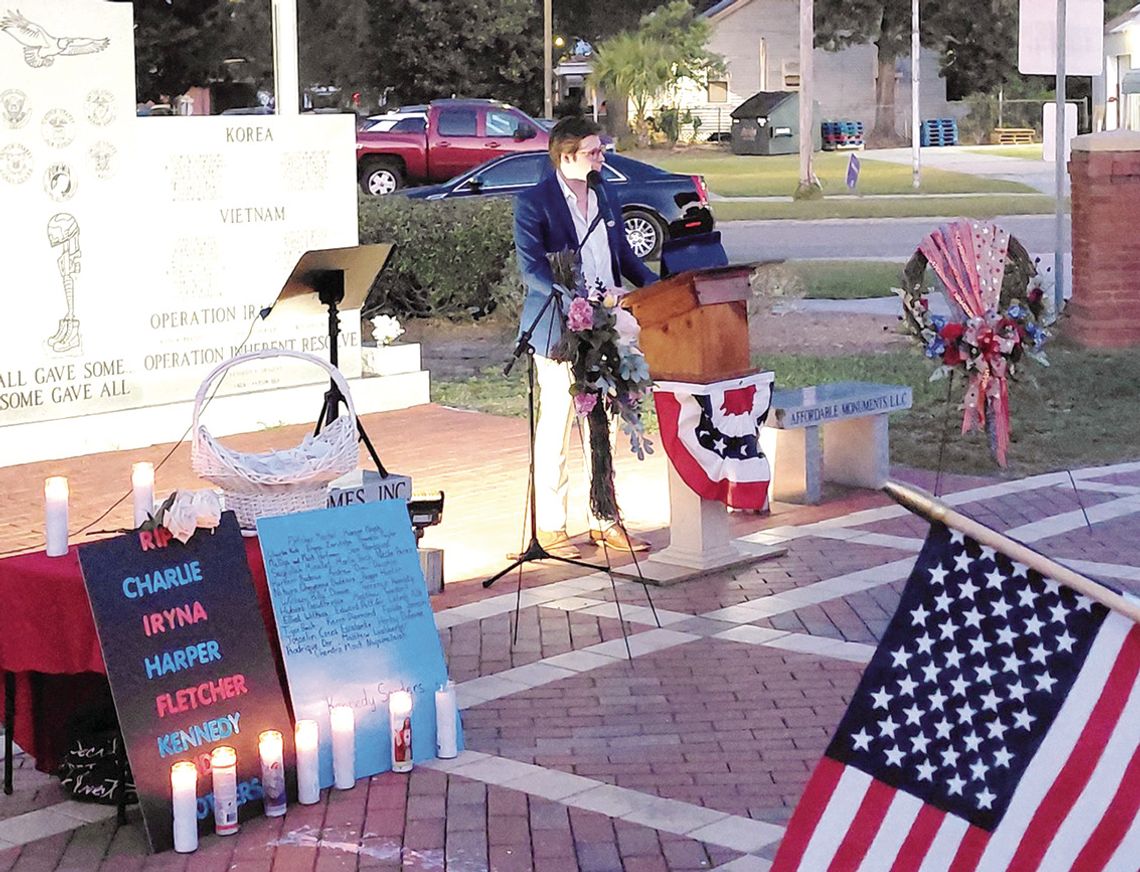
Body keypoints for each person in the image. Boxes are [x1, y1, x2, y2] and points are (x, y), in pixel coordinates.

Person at [513, 115, 656, 558]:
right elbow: (532, 269)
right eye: (593, 152)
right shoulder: (534, 202)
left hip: (612, 323)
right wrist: (578, 300)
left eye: (601, 149)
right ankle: (553, 527)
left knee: (609, 422)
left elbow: (622, 256)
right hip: (560, 327)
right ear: (566, 156)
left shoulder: (603, 195)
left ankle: (604, 517)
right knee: (556, 423)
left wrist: (656, 287)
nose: (601, 157)